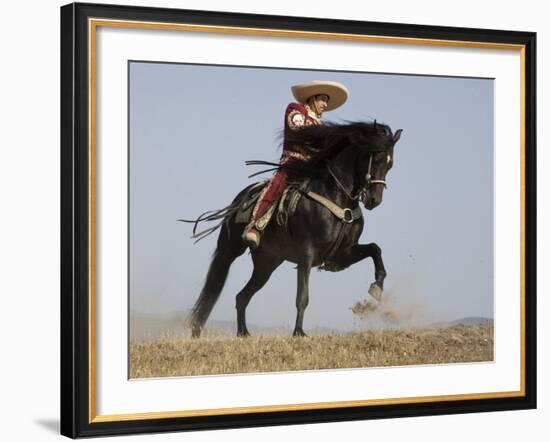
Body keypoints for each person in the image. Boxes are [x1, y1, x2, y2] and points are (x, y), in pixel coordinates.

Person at [242, 80, 349, 249]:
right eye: (322, 99)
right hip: (293, 162)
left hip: (313, 170)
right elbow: (299, 130)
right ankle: (256, 226)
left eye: (326, 101)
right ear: (312, 98)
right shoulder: (295, 109)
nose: (325, 104)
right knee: (278, 183)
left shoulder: (321, 125)